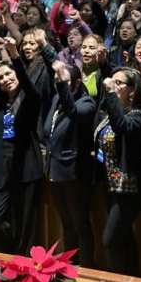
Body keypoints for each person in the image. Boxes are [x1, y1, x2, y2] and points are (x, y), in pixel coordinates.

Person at [0, 37, 43, 254]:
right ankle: (9, 257)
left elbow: (29, 87)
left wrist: (14, 56)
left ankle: (25, 266)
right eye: (0, 77)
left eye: (9, 74)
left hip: (26, 167)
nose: (6, 79)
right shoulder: (0, 103)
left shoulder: (29, 99)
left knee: (26, 222)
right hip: (3, 168)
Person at [95, 67, 141, 275]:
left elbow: (122, 127)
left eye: (119, 83)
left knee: (110, 239)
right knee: (124, 237)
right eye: (113, 82)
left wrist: (110, 93)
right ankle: (131, 278)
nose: (113, 85)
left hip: (130, 188)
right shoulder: (110, 112)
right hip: (111, 186)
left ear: (133, 90)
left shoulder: (139, 116)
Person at [42, 60, 97, 266]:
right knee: (66, 223)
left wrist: (62, 85)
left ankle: (88, 268)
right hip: (55, 171)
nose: (59, 84)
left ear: (76, 82)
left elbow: (72, 112)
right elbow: (48, 130)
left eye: (64, 81)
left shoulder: (87, 103)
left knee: (80, 222)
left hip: (75, 173)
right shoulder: (57, 100)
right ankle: (70, 265)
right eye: (58, 80)